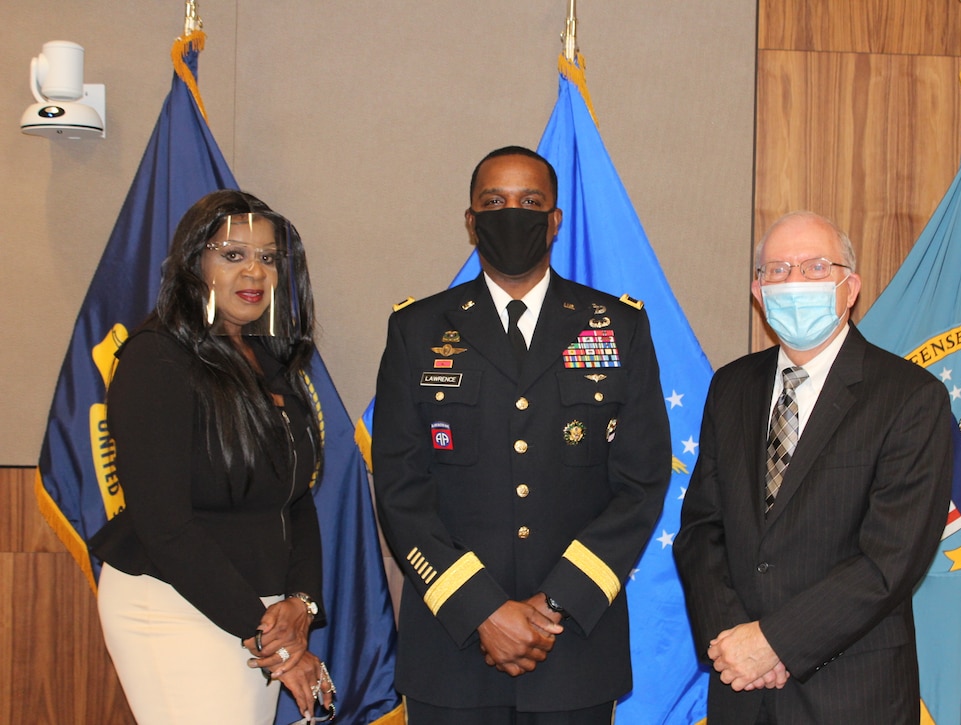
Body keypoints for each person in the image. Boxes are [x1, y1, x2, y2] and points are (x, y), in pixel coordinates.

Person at [371, 146, 672, 724]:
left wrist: (553, 604)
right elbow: (400, 489)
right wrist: (481, 609)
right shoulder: (417, 329)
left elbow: (641, 483)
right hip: (452, 644)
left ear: (555, 220)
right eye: (494, 202)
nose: (513, 213)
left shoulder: (619, 327)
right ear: (471, 220)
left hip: (574, 642)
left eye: (531, 202)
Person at [673, 211, 953, 724]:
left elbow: (890, 561)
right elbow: (701, 529)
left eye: (815, 267)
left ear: (852, 287)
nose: (794, 281)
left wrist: (775, 643)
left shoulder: (910, 397)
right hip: (741, 689)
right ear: (758, 292)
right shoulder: (731, 387)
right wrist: (735, 643)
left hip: (850, 694)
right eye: (776, 270)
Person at [90, 190, 336, 723]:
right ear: (193, 262)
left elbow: (296, 498)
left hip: (260, 613)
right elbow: (165, 525)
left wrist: (301, 604)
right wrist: (267, 633)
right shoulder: (156, 357)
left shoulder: (268, 356)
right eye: (232, 255)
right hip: (177, 606)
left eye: (268, 257)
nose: (254, 271)